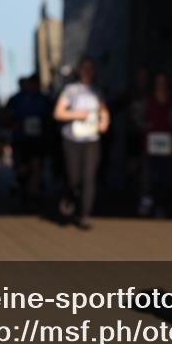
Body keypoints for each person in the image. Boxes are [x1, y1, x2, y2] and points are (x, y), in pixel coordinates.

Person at [54, 57, 110, 229]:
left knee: (89, 177)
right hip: (72, 139)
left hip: (91, 139)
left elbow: (104, 111)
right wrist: (78, 115)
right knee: (74, 177)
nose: (87, 72)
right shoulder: (71, 90)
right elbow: (58, 113)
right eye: (84, 68)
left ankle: (84, 215)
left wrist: (104, 121)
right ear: (79, 71)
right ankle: (69, 196)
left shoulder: (97, 91)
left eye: (90, 69)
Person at [5, 74, 51, 208]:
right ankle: (22, 186)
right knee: (22, 167)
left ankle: (34, 193)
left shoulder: (43, 99)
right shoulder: (16, 99)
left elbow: (50, 117)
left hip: (38, 139)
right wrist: (13, 124)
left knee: (36, 165)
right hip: (21, 139)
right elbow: (7, 115)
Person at [139, 72, 172, 218]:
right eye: (158, 81)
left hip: (168, 141)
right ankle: (147, 200)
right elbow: (137, 116)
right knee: (149, 173)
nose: (161, 84)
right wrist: (144, 125)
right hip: (151, 141)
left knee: (165, 174)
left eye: (163, 81)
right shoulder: (147, 99)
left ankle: (161, 204)